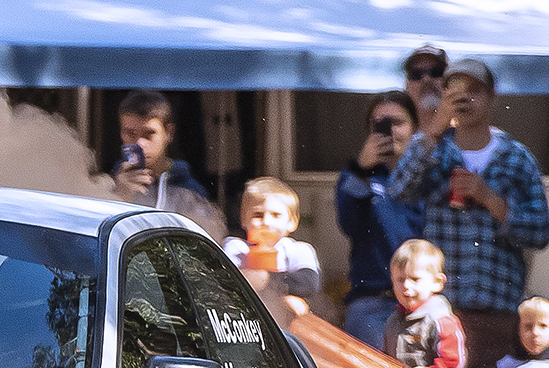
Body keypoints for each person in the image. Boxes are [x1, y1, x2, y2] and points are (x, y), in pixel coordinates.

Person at [387, 58, 549, 368]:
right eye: (454, 91)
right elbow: (398, 192)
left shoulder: (517, 158)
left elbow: (541, 232)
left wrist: (491, 200)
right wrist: (433, 129)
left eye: (474, 90)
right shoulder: (433, 150)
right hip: (439, 311)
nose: (464, 98)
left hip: (499, 309)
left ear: (492, 97)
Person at [336, 91, 425, 350]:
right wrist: (362, 171)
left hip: (421, 303)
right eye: (380, 125)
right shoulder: (356, 176)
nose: (390, 131)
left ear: (414, 128)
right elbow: (349, 224)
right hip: (372, 303)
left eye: (397, 123)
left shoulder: (427, 177)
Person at [110, 89, 224, 239]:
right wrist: (117, 197)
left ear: (168, 133)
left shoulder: (189, 190)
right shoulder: (110, 185)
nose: (139, 143)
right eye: (130, 133)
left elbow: (209, 239)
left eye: (149, 134)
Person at [225, 176, 320, 319]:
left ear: (292, 222)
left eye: (276, 215)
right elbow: (227, 282)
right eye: (258, 215)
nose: (267, 222)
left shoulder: (298, 250)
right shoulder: (237, 248)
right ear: (244, 219)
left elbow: (309, 283)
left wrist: (267, 279)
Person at [380, 239, 465, 368]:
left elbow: (451, 364)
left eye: (415, 279)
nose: (406, 286)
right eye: (400, 279)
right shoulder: (394, 320)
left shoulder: (440, 320)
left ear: (437, 282)